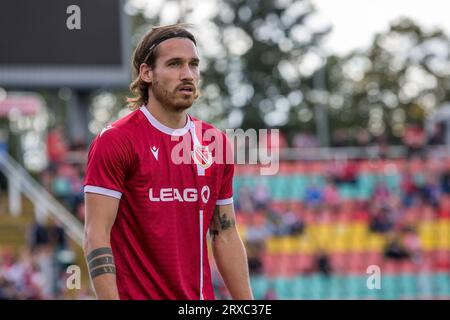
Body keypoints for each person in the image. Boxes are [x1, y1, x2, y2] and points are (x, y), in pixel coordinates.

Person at [83, 24, 253, 300]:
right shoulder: (115, 140)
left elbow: (225, 234)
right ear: (147, 73)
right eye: (174, 64)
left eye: (193, 65)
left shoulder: (215, 142)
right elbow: (96, 234)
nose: (187, 74)